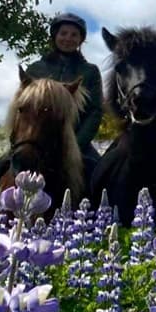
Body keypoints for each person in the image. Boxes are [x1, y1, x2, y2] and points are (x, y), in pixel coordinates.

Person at [25, 12, 105, 184]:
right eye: (63, 33)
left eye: (74, 35)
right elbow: (24, 107)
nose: (68, 38)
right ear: (55, 36)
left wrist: (75, 144)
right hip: (35, 142)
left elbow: (94, 111)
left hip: (75, 142)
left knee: (101, 176)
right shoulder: (35, 69)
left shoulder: (90, 71)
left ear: (81, 40)